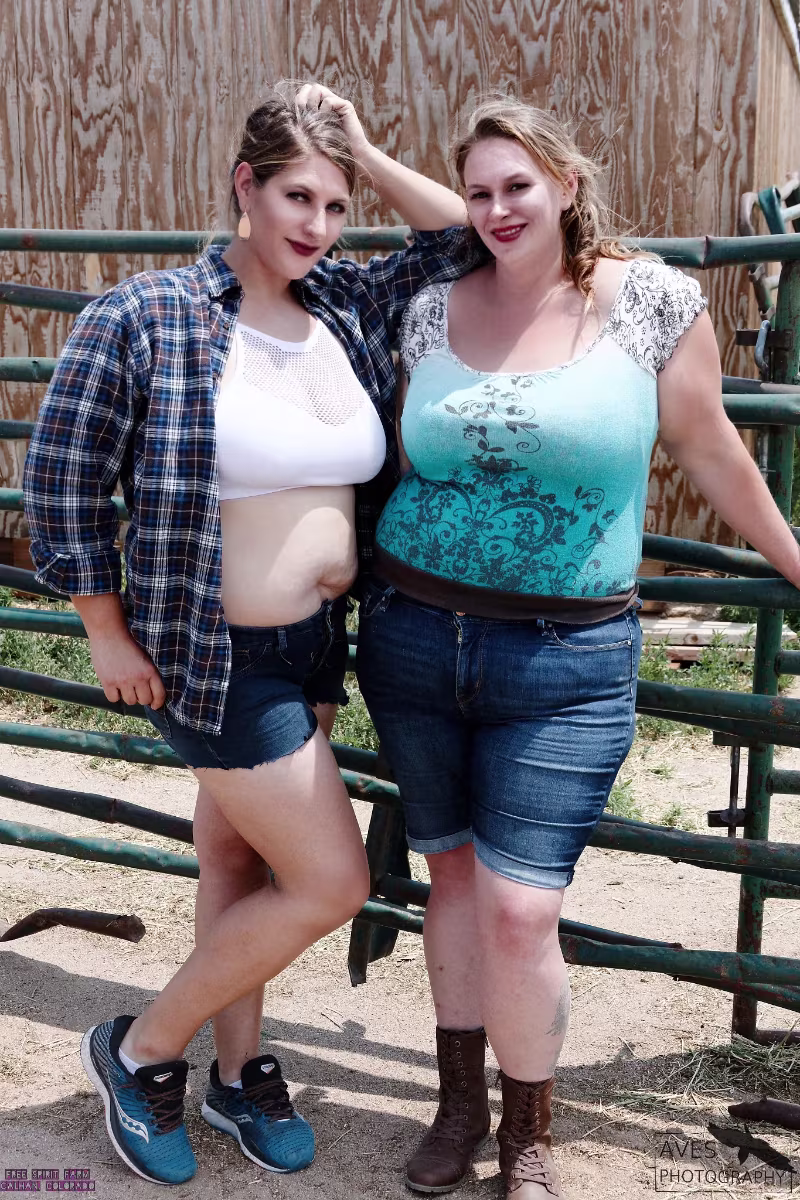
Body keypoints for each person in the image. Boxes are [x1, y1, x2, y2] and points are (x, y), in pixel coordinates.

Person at [22, 83, 478, 1187]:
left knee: (238, 857)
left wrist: (363, 148)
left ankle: (236, 1075)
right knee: (329, 880)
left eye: (335, 204)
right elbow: (61, 481)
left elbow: (463, 240)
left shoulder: (346, 305)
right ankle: (139, 1051)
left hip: (311, 646)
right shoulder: (149, 314)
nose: (318, 224)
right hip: (208, 653)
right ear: (245, 186)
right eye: (297, 197)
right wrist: (102, 631)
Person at [356, 98, 800, 1200]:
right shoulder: (427, 307)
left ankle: (528, 1133)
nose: (497, 209)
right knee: (452, 881)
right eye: (477, 192)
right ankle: (457, 1109)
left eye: (518, 185)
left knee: (520, 907)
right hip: (413, 637)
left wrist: (796, 561)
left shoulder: (647, 302)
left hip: (565, 659)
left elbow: (707, 444)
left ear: (564, 182)